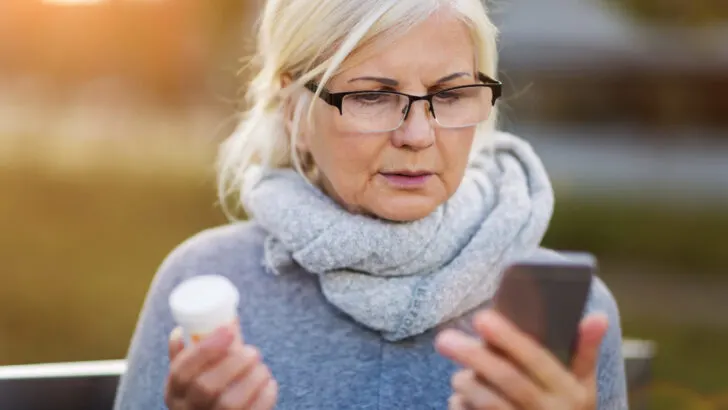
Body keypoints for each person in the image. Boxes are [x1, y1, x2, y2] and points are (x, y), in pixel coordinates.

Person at [113, 0, 629, 408]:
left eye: (450, 96)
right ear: (294, 111)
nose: (418, 134)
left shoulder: (572, 320)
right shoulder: (203, 285)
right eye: (371, 96)